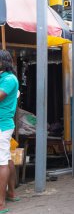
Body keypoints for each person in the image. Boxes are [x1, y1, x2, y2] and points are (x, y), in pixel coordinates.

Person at [0, 50, 19, 213]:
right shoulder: (3, 78)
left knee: (1, 162)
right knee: (7, 158)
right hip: (3, 124)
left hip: (2, 125)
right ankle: (11, 193)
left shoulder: (9, 79)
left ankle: (1, 204)